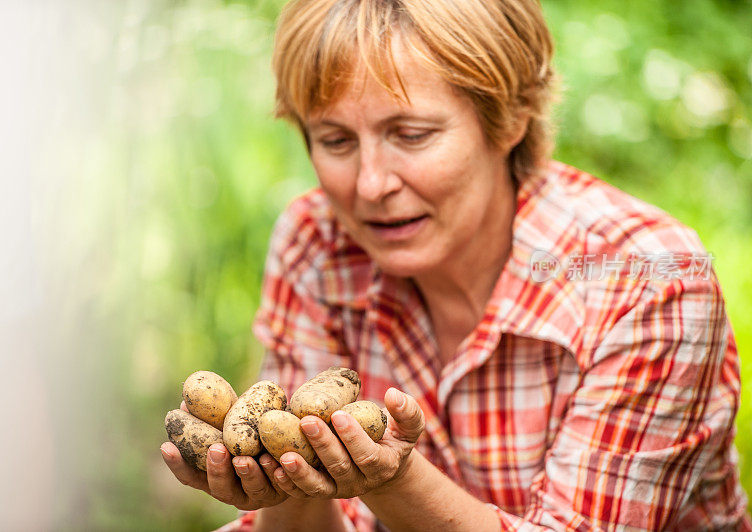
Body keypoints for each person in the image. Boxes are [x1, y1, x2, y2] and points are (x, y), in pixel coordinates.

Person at [161, 0, 751, 529]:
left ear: (512, 118)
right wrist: (282, 482)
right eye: (336, 142)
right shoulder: (316, 244)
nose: (370, 185)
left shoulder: (651, 284)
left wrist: (394, 479)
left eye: (412, 135)